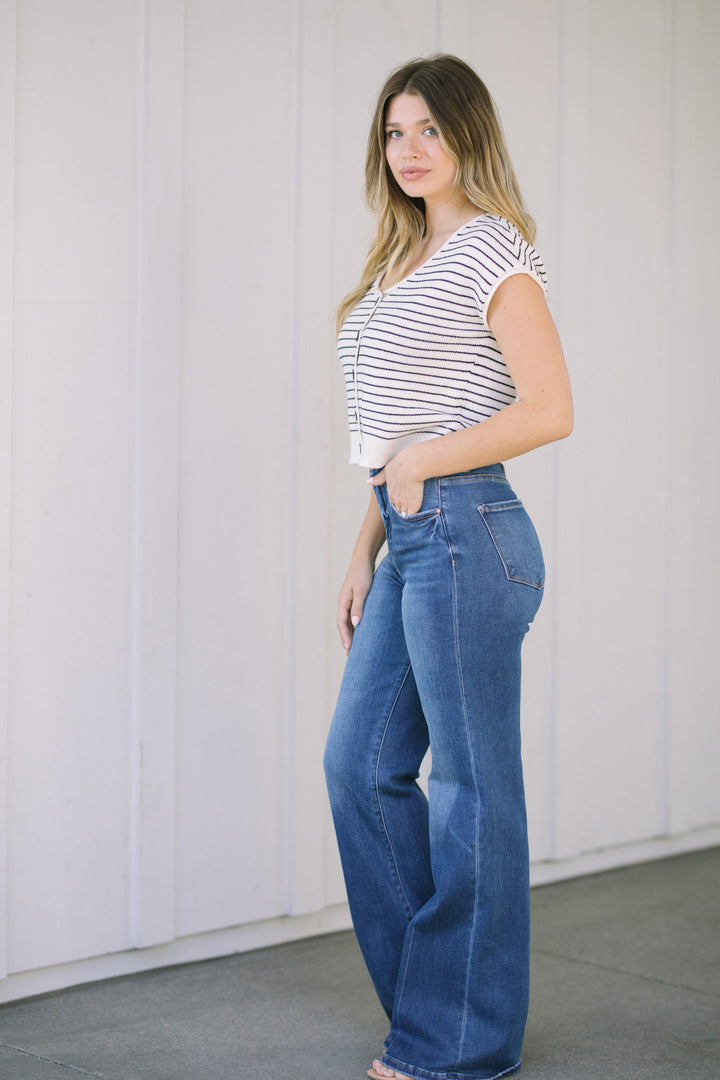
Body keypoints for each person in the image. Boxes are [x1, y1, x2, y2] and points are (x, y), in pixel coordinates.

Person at [323, 55, 573, 1080]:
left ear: (469, 134)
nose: (410, 150)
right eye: (394, 132)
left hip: (472, 532)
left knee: (471, 789)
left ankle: (453, 1044)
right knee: (358, 766)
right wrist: (364, 539)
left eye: (429, 129)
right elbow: (396, 431)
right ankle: (442, 1011)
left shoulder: (489, 252)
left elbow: (549, 408)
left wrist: (420, 466)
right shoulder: (399, 263)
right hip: (412, 534)